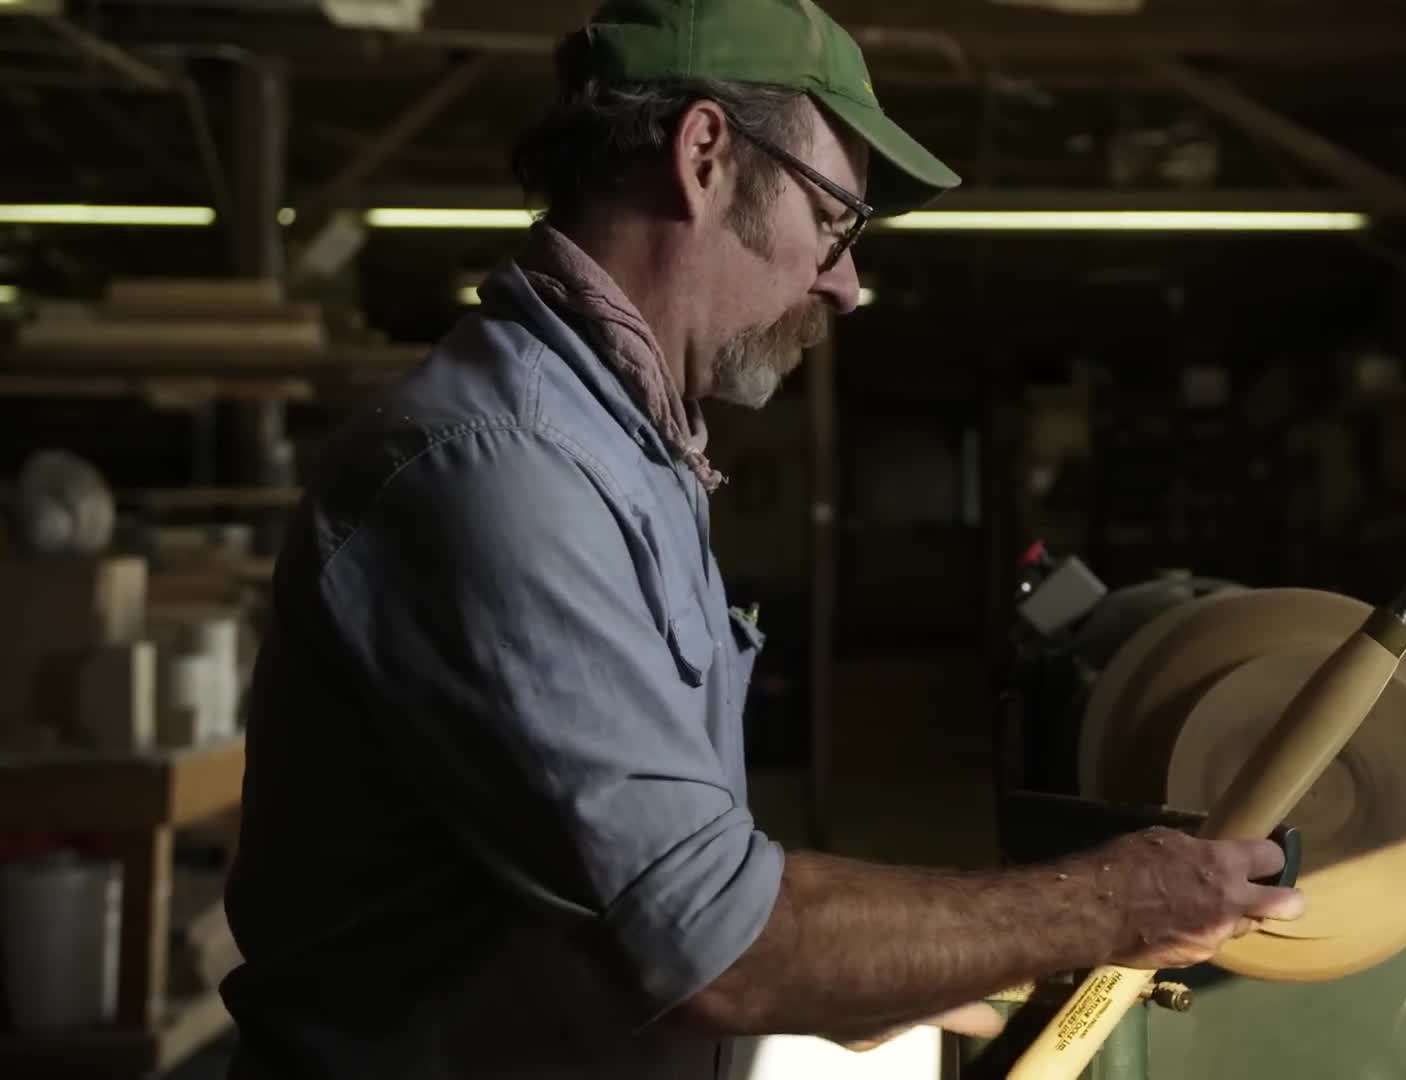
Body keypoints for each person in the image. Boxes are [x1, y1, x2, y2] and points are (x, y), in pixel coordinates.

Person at [219, 1, 1306, 1076]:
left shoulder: (630, 453)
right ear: (703, 155)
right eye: (837, 221)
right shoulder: (501, 471)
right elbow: (714, 946)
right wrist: (1114, 902)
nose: (846, 281)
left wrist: (883, 964)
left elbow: (650, 892)